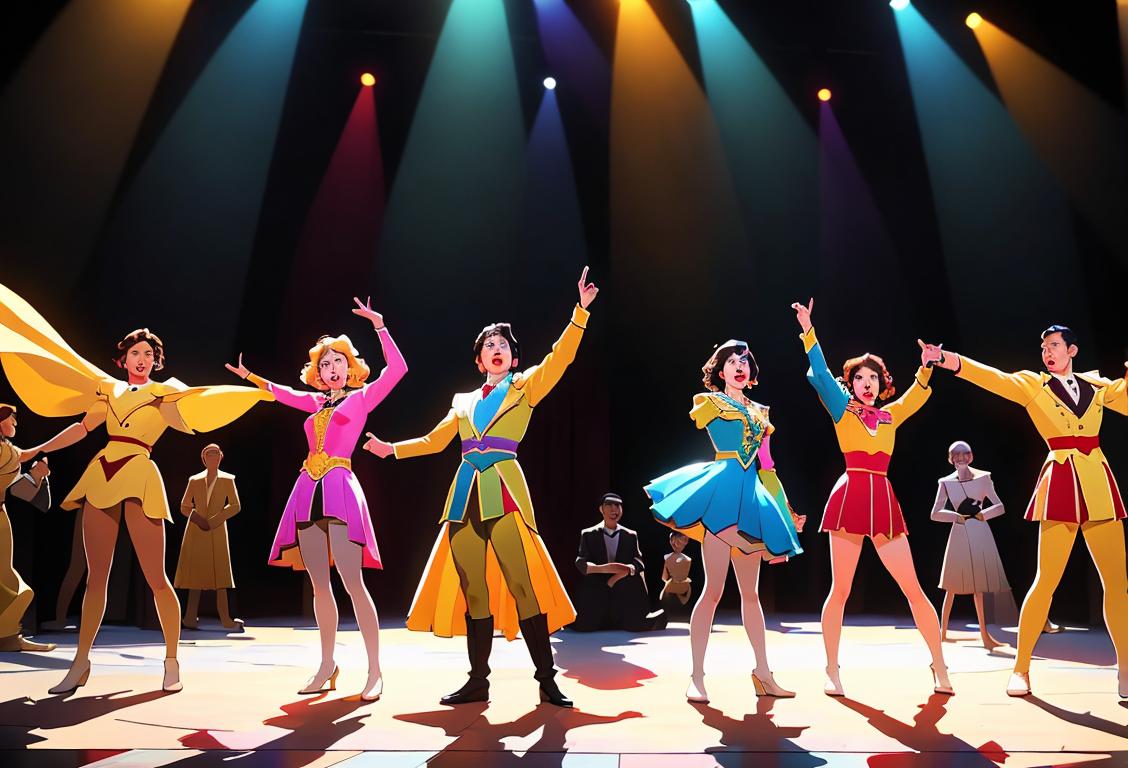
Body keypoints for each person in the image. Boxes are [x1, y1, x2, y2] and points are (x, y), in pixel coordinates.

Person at [0, 282, 271, 695]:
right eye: (135, 353)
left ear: (156, 361)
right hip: (103, 471)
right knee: (96, 578)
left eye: (148, 354)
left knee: (156, 576)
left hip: (140, 473)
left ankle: (172, 660)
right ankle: (80, 662)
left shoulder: (166, 393)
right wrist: (33, 450)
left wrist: (248, 392)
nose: (141, 359)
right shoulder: (107, 390)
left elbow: (191, 416)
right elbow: (81, 428)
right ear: (122, 357)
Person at [364, 268, 599, 708]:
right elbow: (434, 441)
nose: (497, 349)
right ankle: (478, 681)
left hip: (504, 490)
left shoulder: (526, 387)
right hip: (464, 495)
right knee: (474, 588)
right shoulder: (462, 402)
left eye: (503, 345)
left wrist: (579, 314)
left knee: (521, 585)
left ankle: (547, 680)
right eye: (489, 345)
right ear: (478, 360)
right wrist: (390, 449)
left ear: (513, 358)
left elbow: (560, 358)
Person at [920, 325, 1128, 698]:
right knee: (1045, 580)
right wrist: (947, 360)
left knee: (1118, 584)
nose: (1047, 352)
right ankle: (1021, 670)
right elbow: (992, 377)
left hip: (1097, 482)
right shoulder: (1034, 385)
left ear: (1072, 350)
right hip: (1061, 483)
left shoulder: (1097, 386)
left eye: (1054, 346)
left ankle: (1125, 670)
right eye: (1044, 346)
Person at [227, 297, 406, 701]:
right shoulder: (314, 402)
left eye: (337, 361)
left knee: (352, 581)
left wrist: (380, 325)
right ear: (318, 372)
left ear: (349, 365)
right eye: (324, 364)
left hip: (340, 487)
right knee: (318, 585)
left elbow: (398, 370)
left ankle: (375, 669)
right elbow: (283, 393)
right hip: (308, 489)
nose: (331, 369)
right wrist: (250, 376)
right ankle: (327, 664)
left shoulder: (361, 398)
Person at [791, 298, 952, 697]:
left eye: (873, 378)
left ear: (882, 385)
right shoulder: (842, 409)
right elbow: (823, 375)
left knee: (914, 589)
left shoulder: (891, 415)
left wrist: (928, 364)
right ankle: (832, 669)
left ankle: (940, 665)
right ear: (852, 383)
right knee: (840, 590)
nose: (867, 382)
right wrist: (808, 328)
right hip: (849, 496)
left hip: (882, 498)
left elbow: (917, 394)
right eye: (860, 377)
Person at [646, 340, 803, 703]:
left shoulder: (762, 411)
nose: (739, 366)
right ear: (720, 371)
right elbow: (715, 431)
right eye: (731, 361)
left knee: (751, 594)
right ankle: (697, 676)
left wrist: (786, 508)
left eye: (744, 361)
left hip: (751, 499)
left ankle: (764, 674)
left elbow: (768, 466)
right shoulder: (711, 402)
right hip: (722, 493)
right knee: (713, 590)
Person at [930, 441, 1008, 651]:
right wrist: (956, 517)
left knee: (979, 587)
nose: (961, 458)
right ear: (950, 458)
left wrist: (984, 514)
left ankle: (984, 636)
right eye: (956, 455)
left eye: (965, 454)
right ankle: (942, 633)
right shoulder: (946, 482)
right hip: (960, 532)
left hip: (979, 532)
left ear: (971, 456)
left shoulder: (983, 478)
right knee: (951, 586)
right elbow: (935, 513)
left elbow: (999, 506)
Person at [0, 403, 55, 652]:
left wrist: (38, 476)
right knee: (8, 580)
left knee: (6, 578)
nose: (15, 423)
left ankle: (8, 636)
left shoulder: (8, 450)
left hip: (1, 515)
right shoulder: (6, 452)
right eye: (11, 418)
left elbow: (21, 489)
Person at [572, 492, 666, 632]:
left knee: (636, 579)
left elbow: (638, 562)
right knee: (585, 624)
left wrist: (623, 572)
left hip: (623, 582)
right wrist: (604, 569)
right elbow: (581, 562)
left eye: (617, 505)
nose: (613, 509)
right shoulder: (588, 534)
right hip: (598, 582)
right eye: (609, 505)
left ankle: (640, 619)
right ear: (601, 509)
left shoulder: (630, 535)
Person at [175, 443, 244, 632]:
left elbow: (235, 505)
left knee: (220, 577)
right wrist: (198, 519)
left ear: (221, 457)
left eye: (215, 455)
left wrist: (213, 521)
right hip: (196, 531)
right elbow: (184, 506)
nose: (212, 458)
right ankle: (189, 617)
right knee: (194, 576)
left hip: (217, 531)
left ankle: (226, 619)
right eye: (209, 455)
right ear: (203, 459)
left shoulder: (228, 480)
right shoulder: (194, 480)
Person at [660, 531, 693, 617]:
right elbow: (664, 577)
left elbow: (664, 577)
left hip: (677, 587)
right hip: (677, 587)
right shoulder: (670, 558)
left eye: (685, 541)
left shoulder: (686, 559)